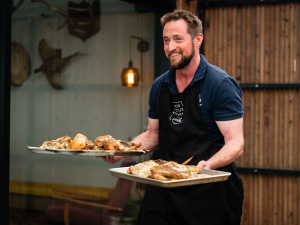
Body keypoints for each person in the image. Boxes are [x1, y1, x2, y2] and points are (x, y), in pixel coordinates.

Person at [100, 10, 244, 225]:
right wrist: (123, 150)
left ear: (198, 40)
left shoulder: (220, 85)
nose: (170, 47)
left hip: (210, 195)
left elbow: (236, 143)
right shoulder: (160, 85)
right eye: (166, 40)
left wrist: (206, 166)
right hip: (163, 189)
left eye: (178, 39)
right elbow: (153, 134)